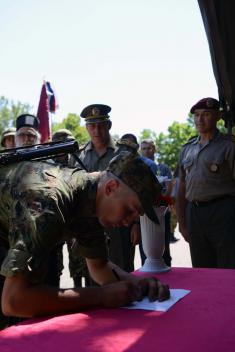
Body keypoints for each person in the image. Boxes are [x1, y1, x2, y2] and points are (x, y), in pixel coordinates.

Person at [0, 152, 170, 321]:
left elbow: (99, 268)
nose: (128, 222)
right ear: (110, 187)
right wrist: (100, 296)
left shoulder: (91, 201)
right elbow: (14, 301)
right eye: (130, 210)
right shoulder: (48, 203)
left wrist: (137, 283)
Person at [77, 104, 140, 273]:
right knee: (94, 273)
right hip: (90, 224)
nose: (96, 130)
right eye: (91, 126)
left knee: (122, 270)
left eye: (100, 125)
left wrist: (136, 224)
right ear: (86, 128)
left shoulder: (123, 153)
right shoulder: (78, 155)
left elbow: (137, 191)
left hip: (120, 224)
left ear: (109, 125)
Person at [176, 97, 235, 268]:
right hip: (194, 213)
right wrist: (182, 222)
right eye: (196, 115)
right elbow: (181, 187)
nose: (200, 119)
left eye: (206, 114)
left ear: (218, 116)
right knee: (201, 269)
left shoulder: (229, 146)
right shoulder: (187, 149)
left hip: (224, 212)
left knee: (228, 268)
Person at [140, 139, 173, 267]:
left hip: (162, 210)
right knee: (146, 248)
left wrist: (162, 198)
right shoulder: (139, 168)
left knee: (163, 246)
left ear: (155, 149)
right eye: (143, 148)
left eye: (149, 148)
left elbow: (169, 187)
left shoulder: (163, 167)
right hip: (146, 212)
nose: (147, 151)